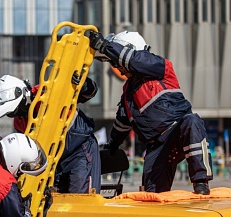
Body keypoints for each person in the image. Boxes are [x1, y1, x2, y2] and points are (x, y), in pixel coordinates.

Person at [87, 30, 213, 194]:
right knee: (151, 193)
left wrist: (104, 46)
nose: (116, 67)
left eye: (116, 62)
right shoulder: (128, 92)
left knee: (192, 121)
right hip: (157, 145)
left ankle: (200, 182)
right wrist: (113, 144)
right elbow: (122, 122)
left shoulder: (159, 67)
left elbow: (135, 60)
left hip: (178, 131)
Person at [0, 73, 101, 194]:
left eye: (13, 111)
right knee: (56, 204)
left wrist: (82, 85)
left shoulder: (47, 92)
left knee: (81, 199)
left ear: (22, 97)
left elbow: (90, 92)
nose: (14, 116)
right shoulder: (20, 122)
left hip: (79, 151)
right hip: (55, 161)